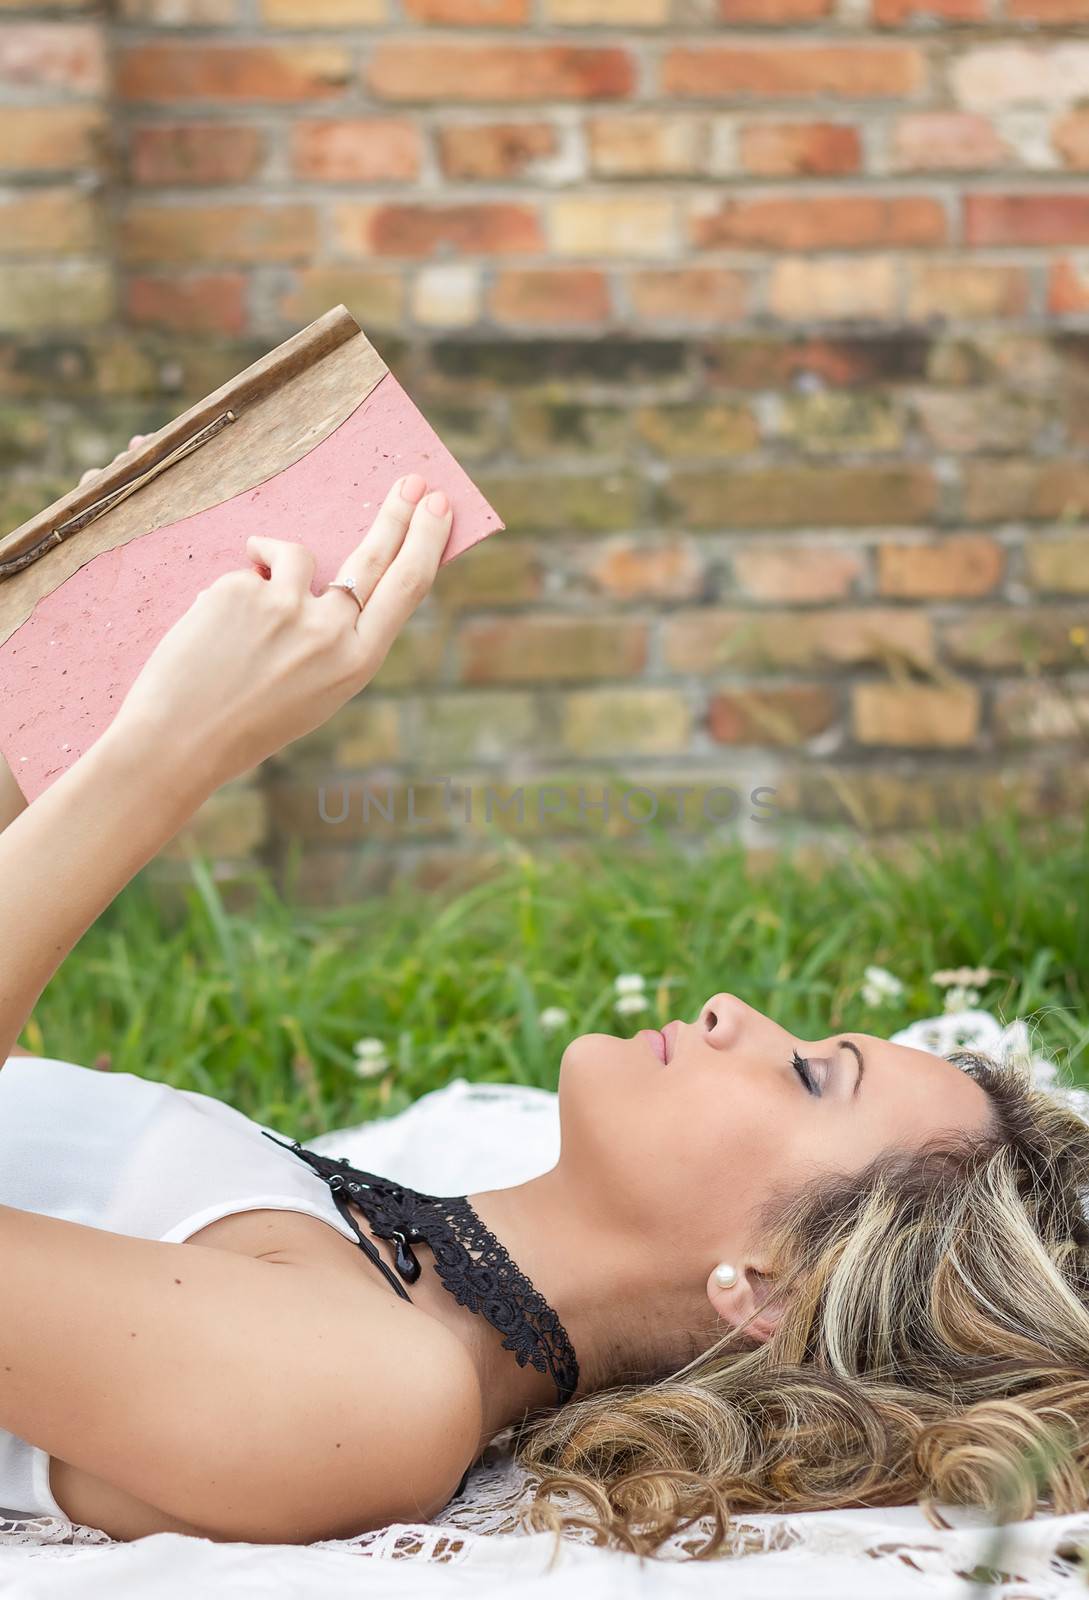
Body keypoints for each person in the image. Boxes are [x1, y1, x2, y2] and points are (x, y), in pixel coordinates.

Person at [1, 470, 1088, 1558]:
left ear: (763, 1285)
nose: (730, 1012)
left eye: (809, 1072)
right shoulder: (384, 1251)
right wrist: (93, 645)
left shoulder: (383, 1399)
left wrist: (176, 750)